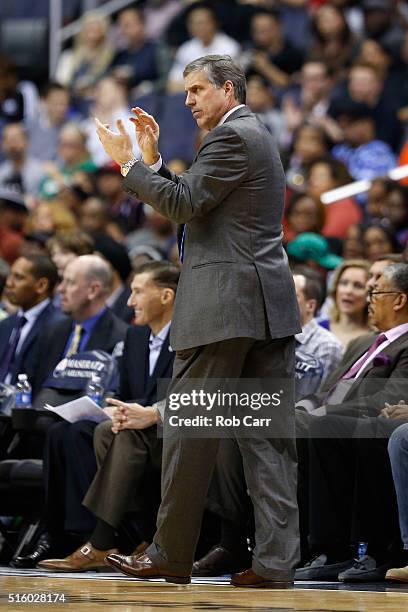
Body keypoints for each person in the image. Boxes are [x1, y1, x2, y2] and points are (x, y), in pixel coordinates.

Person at [95, 54, 300, 588]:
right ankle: (277, 565)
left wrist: (129, 167)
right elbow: (199, 203)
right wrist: (156, 162)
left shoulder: (231, 137)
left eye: (196, 91)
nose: (187, 102)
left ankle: (168, 553)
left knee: (189, 432)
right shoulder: (253, 136)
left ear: (228, 90)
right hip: (264, 308)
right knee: (266, 443)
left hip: (225, 307)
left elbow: (184, 205)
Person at [13, 262, 178, 569]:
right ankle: (60, 530)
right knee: (59, 431)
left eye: (138, 292)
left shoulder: (186, 339)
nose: (129, 301)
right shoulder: (136, 337)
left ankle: (98, 537)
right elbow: (128, 392)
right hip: (135, 422)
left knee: (92, 434)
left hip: (169, 429)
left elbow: (182, 397)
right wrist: (118, 409)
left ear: (167, 296)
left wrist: (137, 413)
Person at [295, 263, 408, 582]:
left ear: (399, 300)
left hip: (373, 423)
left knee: (338, 427)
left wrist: (326, 414)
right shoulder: (368, 343)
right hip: (337, 416)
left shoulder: (406, 342)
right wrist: (308, 407)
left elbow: (391, 399)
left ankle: (362, 549)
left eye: (377, 292)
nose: (369, 298)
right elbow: (331, 388)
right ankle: (243, 542)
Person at [0, 255, 61, 385]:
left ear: (41, 285)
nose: (9, 283)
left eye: (18, 277)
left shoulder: (58, 327)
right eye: (10, 275)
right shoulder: (6, 324)